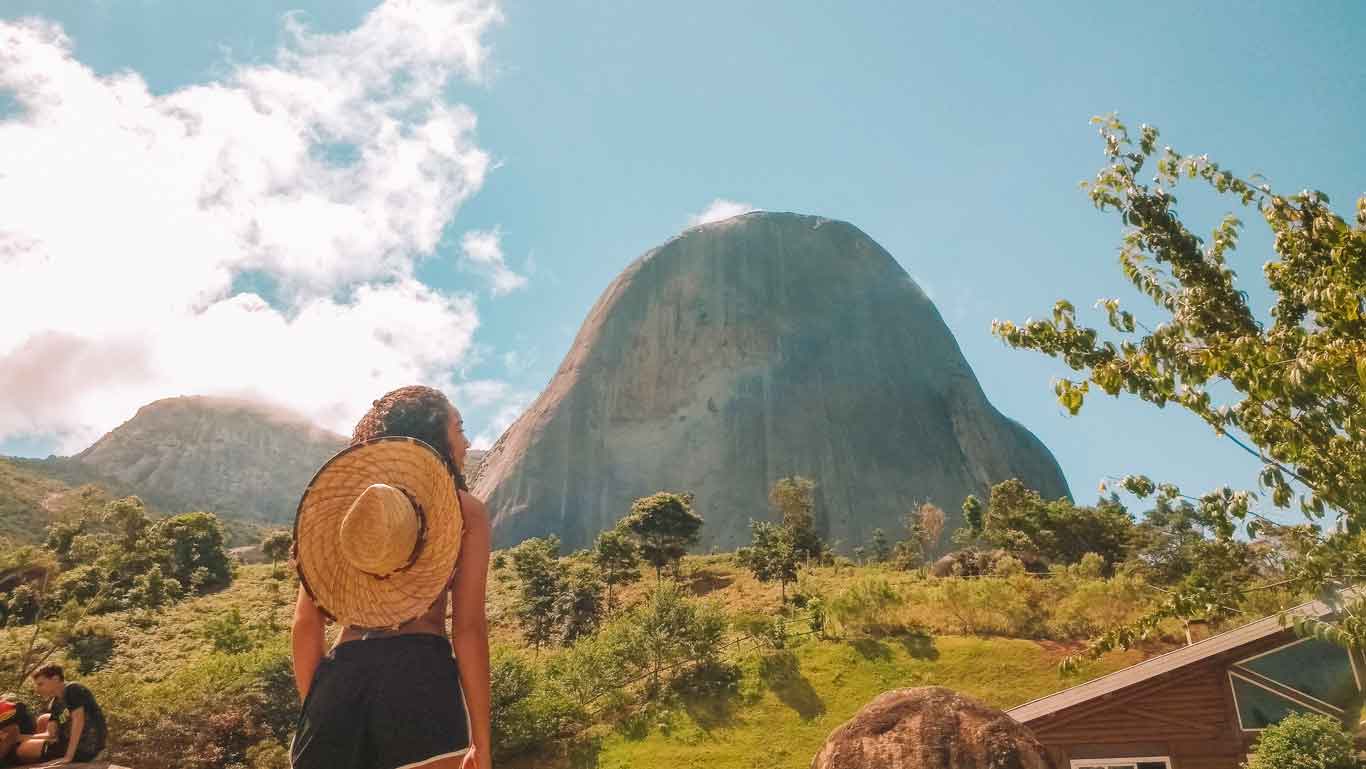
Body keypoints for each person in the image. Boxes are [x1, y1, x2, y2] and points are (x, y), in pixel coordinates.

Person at [290, 386, 492, 769]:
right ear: (436, 434)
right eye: (459, 428)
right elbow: (468, 629)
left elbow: (305, 625)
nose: (466, 441)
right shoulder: (465, 511)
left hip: (337, 682)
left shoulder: (345, 514)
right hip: (418, 679)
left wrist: (322, 707)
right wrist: (481, 743)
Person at [16, 665, 106, 765]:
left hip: (87, 746)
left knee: (24, 749)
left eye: (41, 684)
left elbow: (78, 721)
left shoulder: (73, 689)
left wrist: (68, 757)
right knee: (43, 720)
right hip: (66, 742)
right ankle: (47, 758)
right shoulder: (55, 703)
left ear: (55, 679)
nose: (38, 689)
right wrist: (18, 737)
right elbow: (50, 734)